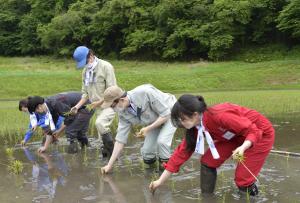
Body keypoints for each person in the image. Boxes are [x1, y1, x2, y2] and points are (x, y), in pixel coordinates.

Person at [149, 94, 275, 196]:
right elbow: (181, 153)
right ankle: (207, 197)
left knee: (243, 180)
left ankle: (252, 197)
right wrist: (160, 181)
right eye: (179, 120)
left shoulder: (220, 116)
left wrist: (243, 147)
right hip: (233, 136)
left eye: (183, 119)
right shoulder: (195, 127)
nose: (181, 123)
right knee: (207, 161)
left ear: (195, 114)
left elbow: (252, 131)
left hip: (260, 133)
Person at [101, 84, 177, 174]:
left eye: (112, 106)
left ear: (121, 100)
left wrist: (148, 129)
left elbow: (165, 114)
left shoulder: (146, 92)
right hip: (154, 121)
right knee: (146, 152)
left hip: (171, 113)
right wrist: (109, 165)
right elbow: (120, 140)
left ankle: (165, 176)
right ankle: (151, 176)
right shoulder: (122, 113)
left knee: (162, 142)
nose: (112, 109)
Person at [72, 46, 117, 158]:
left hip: (110, 104)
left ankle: (115, 158)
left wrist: (99, 102)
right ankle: (108, 159)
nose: (85, 65)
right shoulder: (85, 71)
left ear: (91, 56)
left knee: (100, 124)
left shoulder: (106, 67)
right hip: (98, 109)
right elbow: (85, 94)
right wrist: (76, 107)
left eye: (85, 62)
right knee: (101, 138)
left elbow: (113, 91)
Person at [27, 92, 93, 153]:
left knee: (70, 130)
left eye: (36, 111)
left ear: (39, 107)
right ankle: (88, 150)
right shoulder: (49, 108)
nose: (38, 113)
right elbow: (51, 129)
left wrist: (59, 131)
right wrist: (45, 147)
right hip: (80, 110)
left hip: (87, 107)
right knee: (79, 133)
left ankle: (73, 156)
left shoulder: (55, 103)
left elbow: (70, 117)